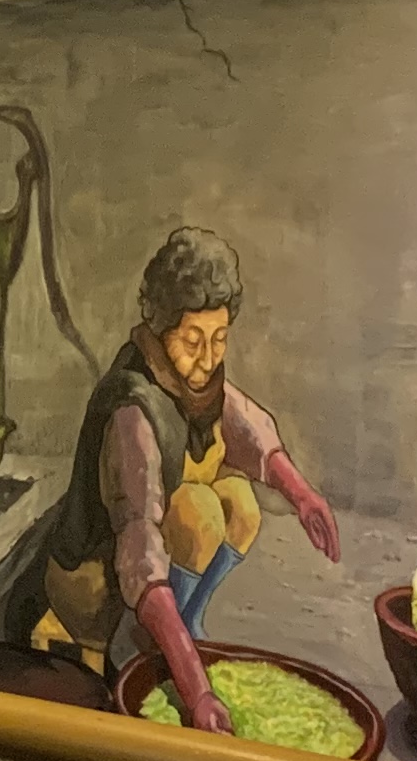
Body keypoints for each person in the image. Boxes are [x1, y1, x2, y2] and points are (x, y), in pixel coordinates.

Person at [30, 230, 340, 732]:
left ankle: (185, 624)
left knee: (240, 501)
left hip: (141, 566)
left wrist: (302, 496)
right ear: (160, 329)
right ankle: (154, 644)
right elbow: (140, 550)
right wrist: (198, 693)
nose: (209, 357)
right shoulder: (133, 409)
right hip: (94, 582)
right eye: (193, 342)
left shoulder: (196, 384)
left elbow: (248, 429)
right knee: (199, 512)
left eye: (220, 339)